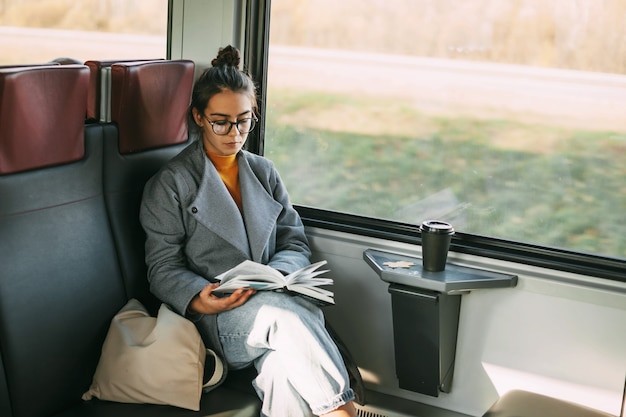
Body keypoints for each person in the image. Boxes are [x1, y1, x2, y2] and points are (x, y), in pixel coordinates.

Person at [139, 45, 357, 417]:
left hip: (274, 302)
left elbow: (293, 239)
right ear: (198, 117)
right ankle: (343, 411)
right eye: (220, 121)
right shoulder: (172, 183)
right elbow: (162, 267)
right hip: (217, 321)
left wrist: (280, 275)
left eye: (243, 120)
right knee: (286, 316)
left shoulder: (263, 172)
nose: (234, 133)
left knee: (282, 370)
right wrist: (199, 297)